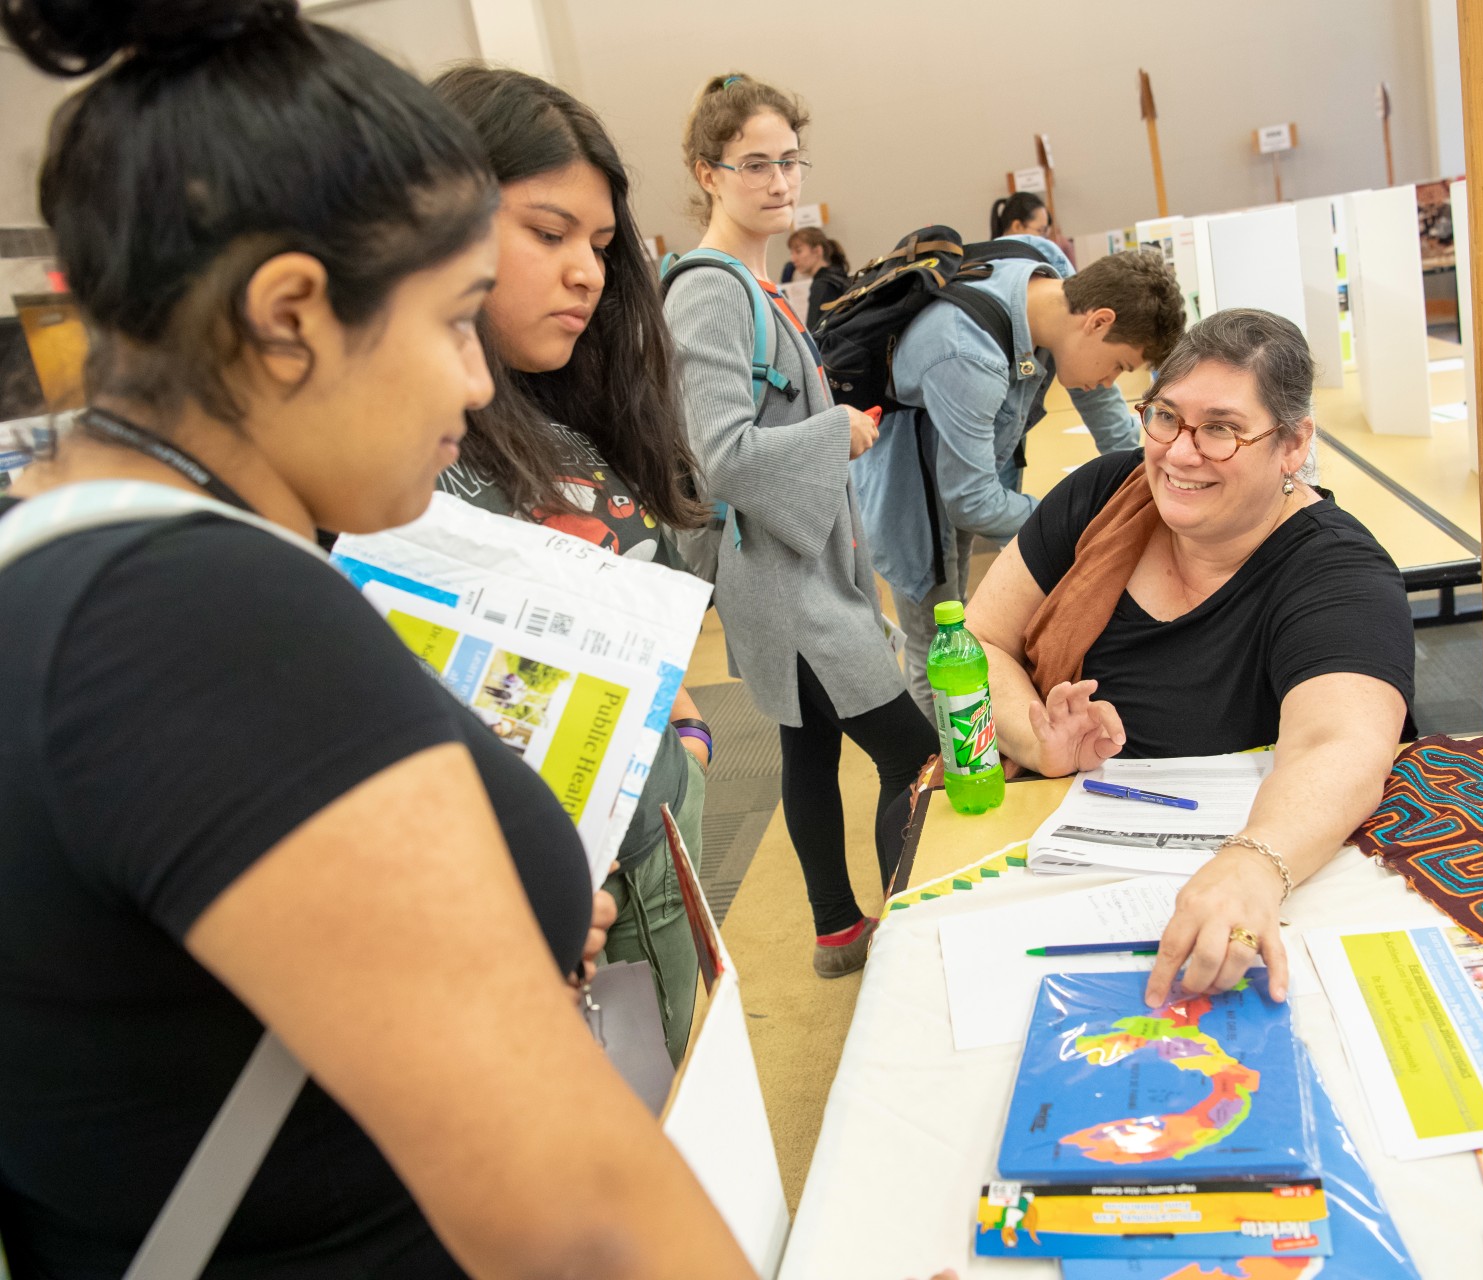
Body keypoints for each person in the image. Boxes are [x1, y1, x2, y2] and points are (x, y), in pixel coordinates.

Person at [0, 3, 757, 1276]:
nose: (474, 382)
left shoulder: (61, 565)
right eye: (455, 318)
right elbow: (579, 1211)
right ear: (291, 313)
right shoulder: (203, 617)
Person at [963, 308, 1413, 1008]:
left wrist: (1253, 863)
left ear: (1292, 445)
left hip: (1237, 881)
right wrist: (1033, 734)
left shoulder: (1333, 571)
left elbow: (1341, 744)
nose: (1178, 452)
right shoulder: (1101, 497)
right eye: (1165, 417)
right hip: (1056, 845)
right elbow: (981, 639)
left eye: (1221, 430)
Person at [430, 64, 709, 1064]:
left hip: (654, 855)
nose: (588, 271)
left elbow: (652, 584)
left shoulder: (569, 417)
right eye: (548, 234)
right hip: (546, 921)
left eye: (598, 245)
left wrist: (687, 733)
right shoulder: (407, 456)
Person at [663, 72, 937, 979]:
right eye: (755, 164)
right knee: (917, 754)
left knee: (808, 748)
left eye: (790, 161)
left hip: (793, 570)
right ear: (707, 172)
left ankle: (835, 930)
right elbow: (723, 457)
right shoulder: (709, 291)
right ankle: (919, 924)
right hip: (787, 583)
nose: (780, 182)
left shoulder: (757, 283)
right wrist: (841, 432)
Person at [855, 245, 1188, 714]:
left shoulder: (1055, 281)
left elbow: (1105, 415)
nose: (1111, 380)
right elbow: (971, 501)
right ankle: (941, 772)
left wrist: (1153, 484)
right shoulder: (968, 352)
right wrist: (1079, 526)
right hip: (912, 500)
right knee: (941, 647)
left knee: (972, 628)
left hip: (970, 472)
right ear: (1098, 321)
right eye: (1119, 365)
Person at [786, 225, 851, 329]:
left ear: (817, 251)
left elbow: (814, 332)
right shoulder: (838, 277)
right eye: (791, 253)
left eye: (798, 251)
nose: (793, 259)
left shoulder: (822, 285)